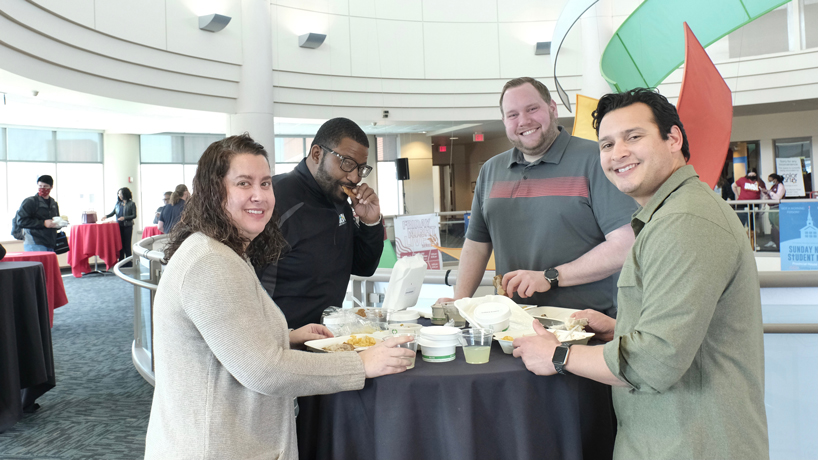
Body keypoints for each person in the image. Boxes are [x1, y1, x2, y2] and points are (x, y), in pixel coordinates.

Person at [513, 88, 768, 459]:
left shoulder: (685, 222)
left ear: (673, 138)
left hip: (692, 445)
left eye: (634, 137)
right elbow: (688, 334)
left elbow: (655, 363)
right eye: (606, 144)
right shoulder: (670, 214)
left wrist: (557, 356)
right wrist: (620, 329)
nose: (618, 154)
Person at [144, 134, 412, 459]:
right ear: (213, 192)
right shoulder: (211, 261)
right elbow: (263, 371)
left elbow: (228, 337)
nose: (259, 196)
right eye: (244, 183)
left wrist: (286, 337)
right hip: (215, 446)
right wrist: (360, 364)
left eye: (265, 183)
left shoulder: (222, 251)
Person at [441, 77, 637, 316]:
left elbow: (626, 244)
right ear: (504, 121)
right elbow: (477, 245)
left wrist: (551, 277)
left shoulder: (596, 159)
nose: (524, 120)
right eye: (512, 115)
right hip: (509, 323)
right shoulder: (491, 170)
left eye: (532, 109)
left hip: (583, 325)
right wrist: (460, 301)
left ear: (552, 108)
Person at [256, 118, 384, 329]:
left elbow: (364, 267)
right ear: (317, 154)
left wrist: (370, 223)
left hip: (326, 339)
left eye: (360, 168)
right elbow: (244, 279)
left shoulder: (339, 200)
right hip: (281, 342)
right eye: (347, 163)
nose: (354, 177)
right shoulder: (274, 199)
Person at [16, 175, 61, 252]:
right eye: (40, 186)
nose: (42, 188)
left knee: (49, 264)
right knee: (38, 264)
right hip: (34, 242)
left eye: (45, 186)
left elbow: (56, 219)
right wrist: (43, 223)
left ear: (51, 187)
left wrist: (59, 223)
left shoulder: (53, 203)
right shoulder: (30, 202)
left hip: (50, 242)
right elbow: (21, 221)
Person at [106, 187, 137, 262]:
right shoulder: (118, 204)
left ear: (125, 194)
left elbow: (134, 215)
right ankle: (121, 261)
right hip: (119, 226)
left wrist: (125, 218)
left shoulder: (131, 204)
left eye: (120, 193)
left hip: (128, 226)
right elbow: (113, 212)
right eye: (118, 194)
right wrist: (106, 216)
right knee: (120, 244)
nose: (119, 195)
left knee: (127, 244)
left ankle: (129, 262)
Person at [764, 173, 786, 248]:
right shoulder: (773, 186)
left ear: (775, 180)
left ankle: (779, 242)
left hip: (777, 208)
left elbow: (778, 198)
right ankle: (773, 240)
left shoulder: (781, 186)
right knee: (772, 225)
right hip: (772, 208)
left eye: (770, 180)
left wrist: (770, 192)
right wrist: (766, 193)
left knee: (777, 225)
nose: (769, 181)